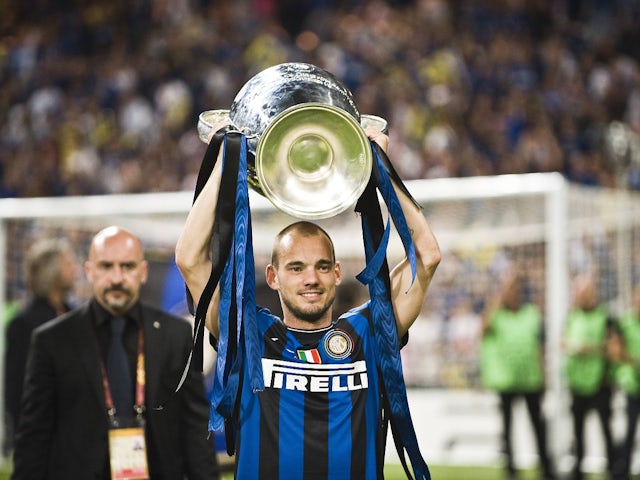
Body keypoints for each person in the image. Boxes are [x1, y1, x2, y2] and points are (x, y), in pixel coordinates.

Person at [174, 125, 441, 478]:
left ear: (337, 273)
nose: (311, 278)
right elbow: (190, 259)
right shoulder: (248, 334)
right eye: (296, 268)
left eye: (321, 266)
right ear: (273, 277)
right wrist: (227, 160)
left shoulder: (369, 332)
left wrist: (380, 166)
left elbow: (427, 256)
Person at [12, 226, 219, 479]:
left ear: (143, 272)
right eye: (106, 266)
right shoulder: (52, 340)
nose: (117, 278)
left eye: (127, 266)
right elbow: (34, 435)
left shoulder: (175, 335)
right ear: (89, 271)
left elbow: (195, 427)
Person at [479, 269, 556, 480]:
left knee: (539, 427)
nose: (511, 293)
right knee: (507, 429)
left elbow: (540, 348)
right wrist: (496, 299)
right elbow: (483, 330)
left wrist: (544, 377)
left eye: (513, 288)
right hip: (506, 381)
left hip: (531, 380)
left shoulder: (532, 314)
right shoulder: (497, 315)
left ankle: (546, 468)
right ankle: (511, 470)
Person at [3, 238, 77, 455]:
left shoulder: (76, 315)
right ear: (52, 271)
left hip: (75, 434)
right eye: (68, 263)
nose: (75, 269)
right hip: (42, 437)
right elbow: (16, 389)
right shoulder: (23, 324)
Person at [562, 273, 616, 480]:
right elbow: (563, 342)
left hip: (600, 381)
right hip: (577, 382)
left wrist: (590, 348)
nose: (579, 296)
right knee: (578, 430)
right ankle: (578, 470)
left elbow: (612, 347)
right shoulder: (572, 316)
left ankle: (614, 469)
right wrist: (575, 347)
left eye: (582, 291)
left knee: (605, 429)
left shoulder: (605, 315)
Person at [608, 284, 640, 480]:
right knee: (629, 430)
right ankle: (622, 469)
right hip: (632, 385)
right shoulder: (625, 322)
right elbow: (615, 350)